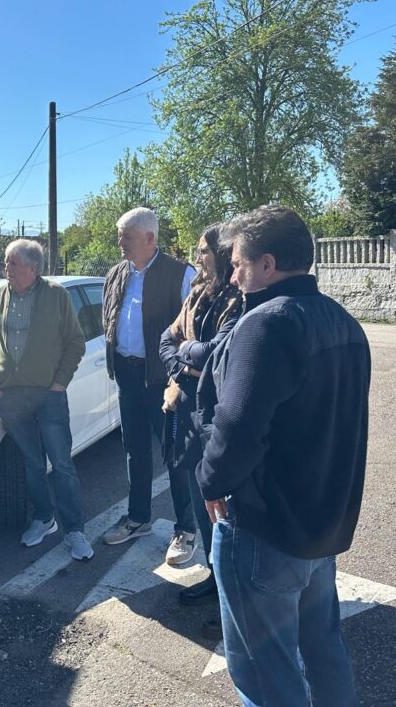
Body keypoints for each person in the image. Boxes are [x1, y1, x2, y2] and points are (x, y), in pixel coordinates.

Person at [193, 205, 371, 707]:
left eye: (238, 264)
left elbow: (236, 426)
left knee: (266, 676)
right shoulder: (344, 322)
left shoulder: (267, 324)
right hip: (320, 528)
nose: (232, 276)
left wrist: (210, 481)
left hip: (264, 529)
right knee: (325, 650)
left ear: (267, 265)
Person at [0, 239, 93, 560]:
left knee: (61, 464)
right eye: (6, 262)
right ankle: (44, 519)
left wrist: (59, 384)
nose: (6, 268)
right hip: (11, 398)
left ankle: (74, 530)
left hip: (48, 395)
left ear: (32, 268)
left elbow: (75, 343)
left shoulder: (56, 295)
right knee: (32, 464)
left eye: (12, 263)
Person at [101, 207, 196, 562]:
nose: (120, 243)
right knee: (134, 449)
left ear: (149, 238)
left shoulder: (181, 274)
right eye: (120, 236)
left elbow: (194, 329)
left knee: (176, 454)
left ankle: (186, 529)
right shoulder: (116, 274)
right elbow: (109, 317)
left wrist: (181, 374)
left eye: (126, 237)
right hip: (127, 375)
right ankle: (138, 518)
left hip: (164, 379)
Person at [158, 224, 242, 620]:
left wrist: (186, 351)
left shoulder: (238, 299)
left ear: (222, 254)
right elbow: (165, 339)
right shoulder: (196, 294)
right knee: (197, 490)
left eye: (203, 251)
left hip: (216, 408)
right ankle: (213, 572)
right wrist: (181, 366)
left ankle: (232, 584)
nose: (197, 259)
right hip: (187, 404)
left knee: (223, 500)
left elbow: (215, 352)